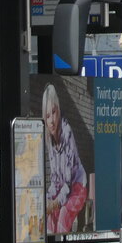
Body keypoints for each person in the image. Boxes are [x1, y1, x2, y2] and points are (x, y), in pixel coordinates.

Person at [43, 83, 88, 234]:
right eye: (47, 116)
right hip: (63, 189)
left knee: (63, 213)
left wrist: (55, 202)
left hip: (77, 187)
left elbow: (68, 184)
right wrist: (47, 199)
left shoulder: (66, 132)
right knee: (49, 216)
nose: (51, 120)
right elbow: (55, 180)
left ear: (59, 110)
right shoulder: (49, 140)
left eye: (53, 112)